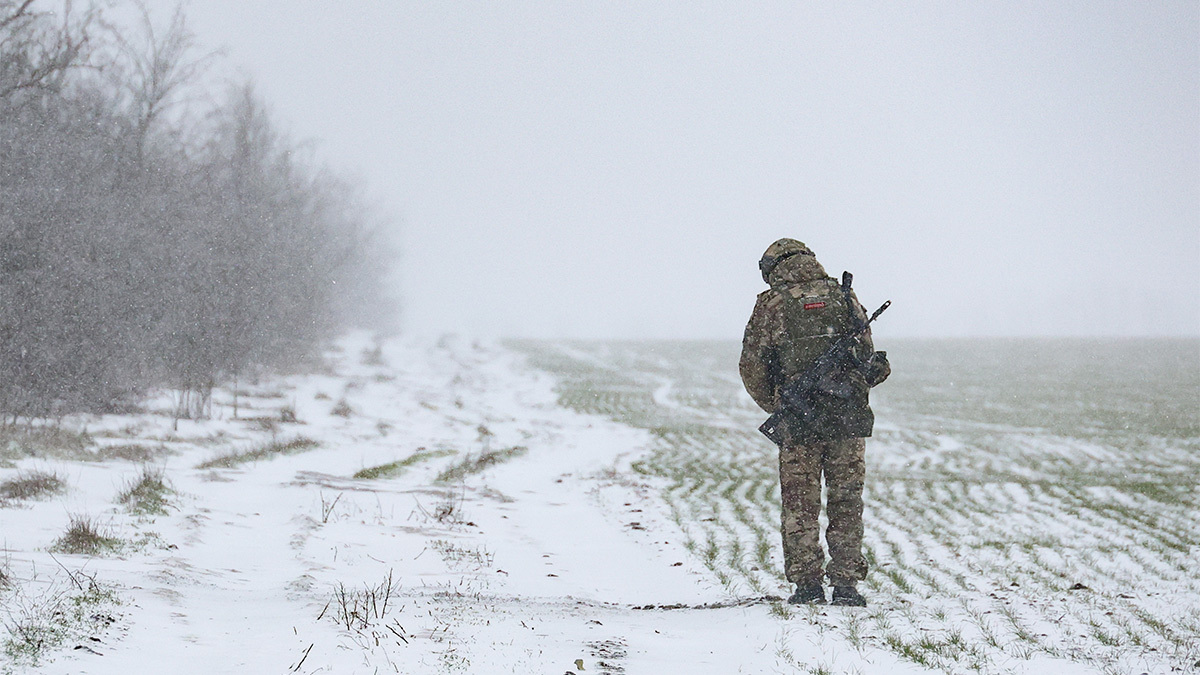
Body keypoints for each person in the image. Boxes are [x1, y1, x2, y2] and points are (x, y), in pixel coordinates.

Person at [739, 238, 890, 607]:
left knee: (799, 505)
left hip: (798, 422)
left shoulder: (770, 304)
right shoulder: (843, 296)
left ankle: (807, 586)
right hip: (846, 417)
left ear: (773, 267)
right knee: (846, 501)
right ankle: (846, 586)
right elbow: (865, 352)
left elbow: (752, 366)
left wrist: (779, 403)